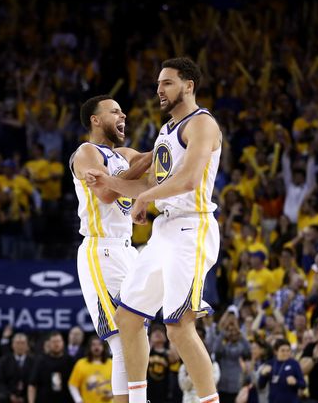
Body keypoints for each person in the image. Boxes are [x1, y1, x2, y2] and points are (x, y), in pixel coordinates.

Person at [87, 57, 221, 403]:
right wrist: (110, 182)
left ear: (188, 86)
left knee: (178, 328)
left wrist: (145, 196)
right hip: (164, 229)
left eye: (167, 83)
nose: (159, 90)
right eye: (159, 84)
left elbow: (189, 180)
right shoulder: (166, 132)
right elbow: (151, 182)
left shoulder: (202, 124)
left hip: (192, 227)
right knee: (127, 318)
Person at [70, 94, 152, 402]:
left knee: (137, 334)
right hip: (100, 249)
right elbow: (105, 195)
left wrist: (121, 178)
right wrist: (121, 179)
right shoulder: (86, 152)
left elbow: (153, 159)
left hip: (128, 250)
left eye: (122, 111)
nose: (123, 115)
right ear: (95, 119)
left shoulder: (124, 154)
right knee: (121, 340)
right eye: (114, 111)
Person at [28, 332, 75, 403]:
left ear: (63, 343)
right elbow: (32, 385)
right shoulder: (41, 361)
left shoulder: (70, 361)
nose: (56, 344)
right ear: (49, 344)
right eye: (53, 342)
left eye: (58, 341)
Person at [68, 336, 113, 403]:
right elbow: (72, 385)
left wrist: (113, 394)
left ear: (104, 347)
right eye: (93, 345)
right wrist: (79, 400)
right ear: (89, 347)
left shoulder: (111, 363)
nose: (96, 347)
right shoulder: (81, 364)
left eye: (99, 344)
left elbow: (119, 384)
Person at [0, 333, 35, 403]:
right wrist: (10, 395)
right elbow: (0, 382)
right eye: (17, 343)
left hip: (27, 395)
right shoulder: (4, 361)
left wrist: (25, 397)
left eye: (23, 343)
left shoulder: (34, 361)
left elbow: (36, 382)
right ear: (12, 345)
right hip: (9, 395)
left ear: (27, 346)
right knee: (0, 397)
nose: (20, 346)